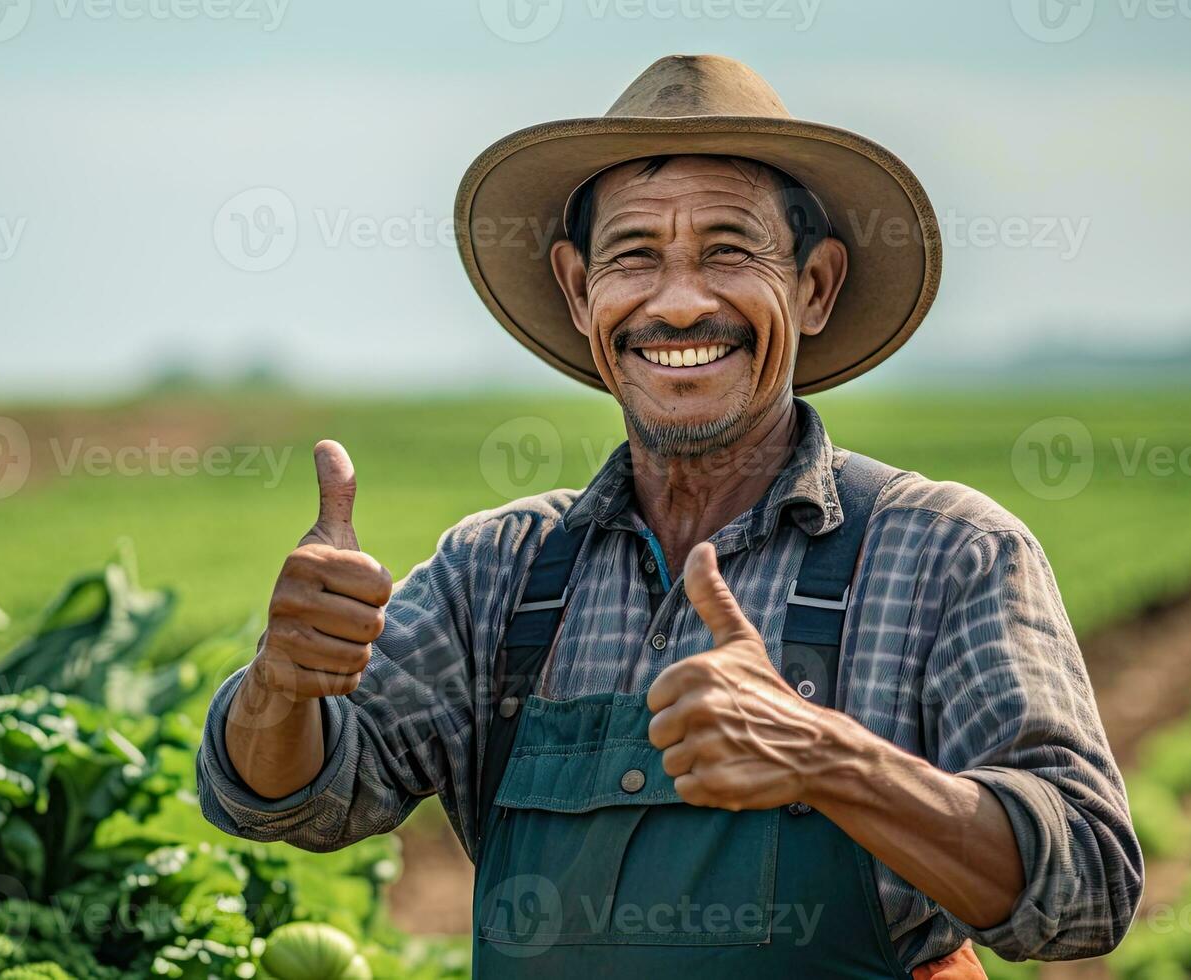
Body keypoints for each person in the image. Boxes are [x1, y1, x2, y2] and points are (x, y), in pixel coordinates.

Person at [199, 54, 1142, 978]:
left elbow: (1089, 888)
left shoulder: (944, 553)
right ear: (578, 291)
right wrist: (283, 685)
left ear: (813, 288)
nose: (680, 303)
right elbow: (290, 804)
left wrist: (835, 761)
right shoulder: (498, 572)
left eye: (728, 252)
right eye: (634, 257)